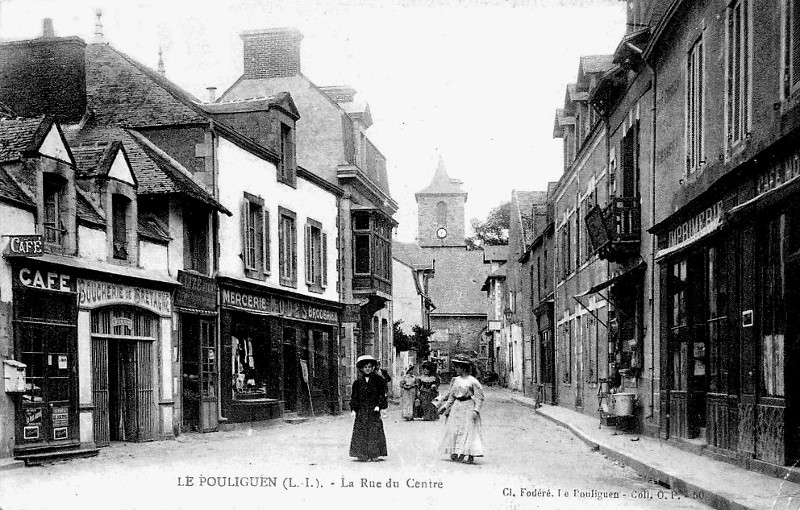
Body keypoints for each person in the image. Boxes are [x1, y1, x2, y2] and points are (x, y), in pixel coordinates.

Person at [439, 354, 484, 464]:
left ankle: (469, 454)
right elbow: (451, 397)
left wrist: (476, 410)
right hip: (457, 407)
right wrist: (444, 407)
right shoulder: (455, 380)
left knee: (468, 430)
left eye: (457, 367)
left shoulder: (473, 381)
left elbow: (479, 398)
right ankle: (455, 451)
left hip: (468, 406)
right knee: (455, 429)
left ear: (463, 368)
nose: (455, 369)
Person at [349, 355, 388, 462]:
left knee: (374, 431)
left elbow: (382, 394)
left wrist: (380, 406)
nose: (367, 369)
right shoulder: (357, 383)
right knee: (361, 431)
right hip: (361, 410)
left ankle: (375, 453)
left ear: (373, 368)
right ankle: (362, 454)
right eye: (365, 367)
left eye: (370, 367)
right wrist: (353, 409)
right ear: (361, 368)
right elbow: (354, 397)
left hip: (373, 410)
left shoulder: (378, 380)